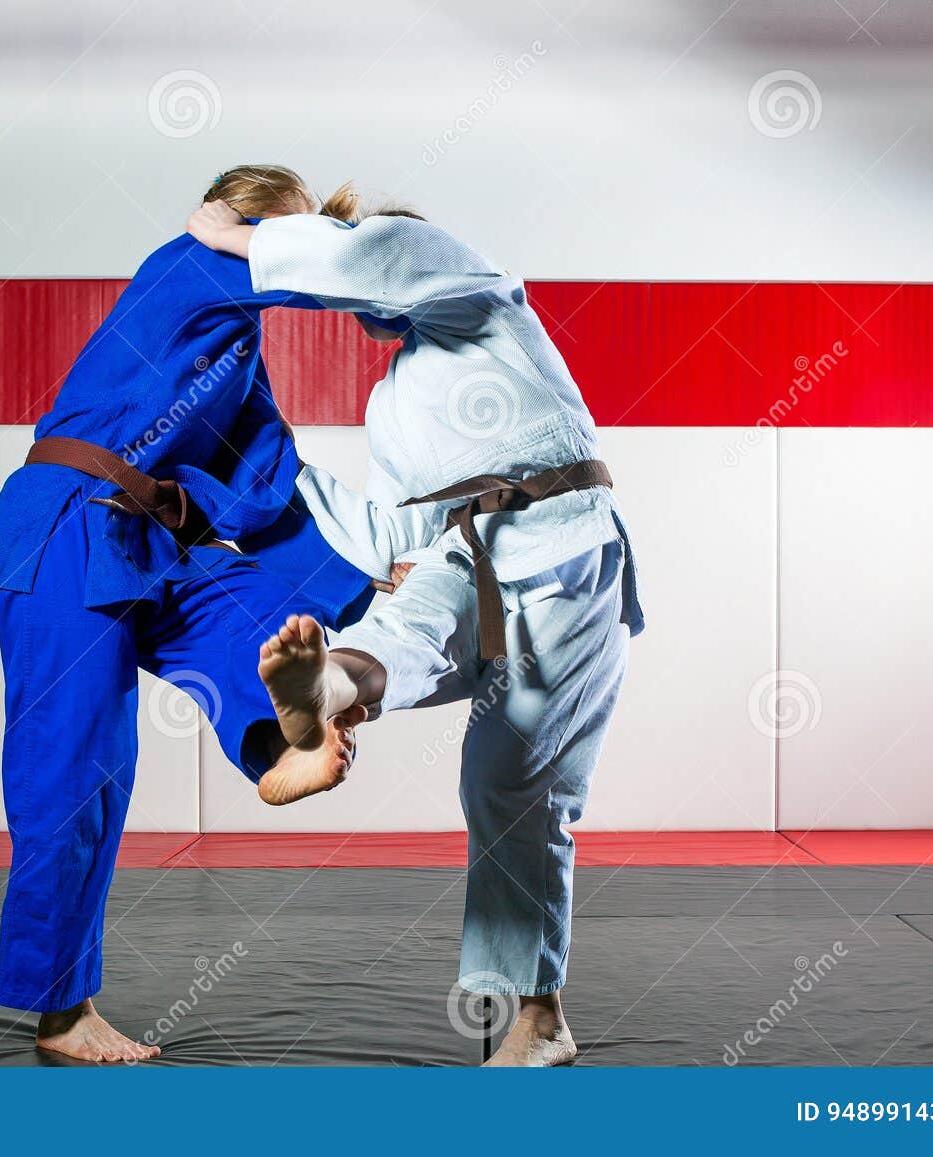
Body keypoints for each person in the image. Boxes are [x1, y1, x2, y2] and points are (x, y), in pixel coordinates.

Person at [186, 198, 644, 1066]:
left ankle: (535, 1016)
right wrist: (263, 485)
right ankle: (332, 682)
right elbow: (393, 534)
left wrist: (234, 237)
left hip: (561, 540)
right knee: (406, 621)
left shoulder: (481, 294)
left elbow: (383, 253)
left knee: (510, 780)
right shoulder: (394, 397)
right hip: (461, 553)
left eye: (351, 251)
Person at [0, 166, 371, 1063]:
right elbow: (332, 269)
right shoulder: (187, 266)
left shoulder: (237, 352)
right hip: (64, 532)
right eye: (279, 234)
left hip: (139, 548)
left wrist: (363, 573)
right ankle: (61, 1015)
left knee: (257, 615)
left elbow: (269, 480)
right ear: (244, 226)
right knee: (76, 772)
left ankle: (282, 745)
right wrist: (263, 233)